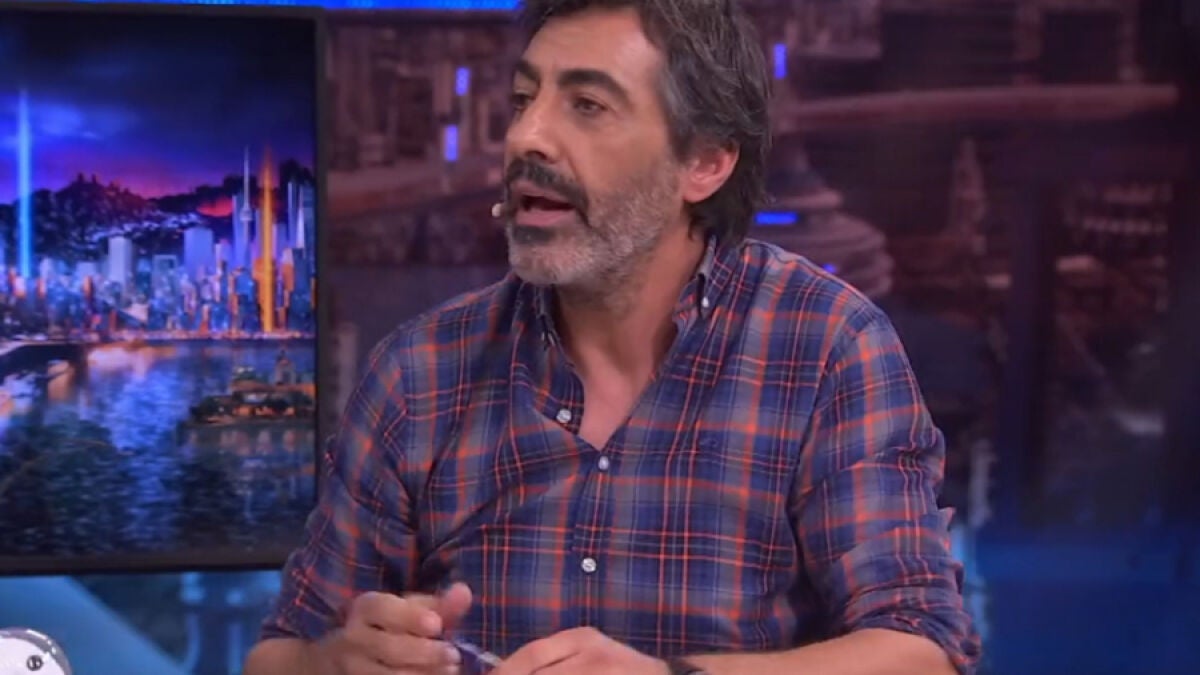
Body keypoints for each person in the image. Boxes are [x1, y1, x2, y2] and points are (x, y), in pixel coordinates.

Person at [245, 0, 982, 673]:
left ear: (705, 162)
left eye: (587, 106)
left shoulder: (826, 347)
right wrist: (334, 662)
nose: (526, 136)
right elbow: (277, 654)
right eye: (524, 99)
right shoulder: (419, 371)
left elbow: (923, 647)